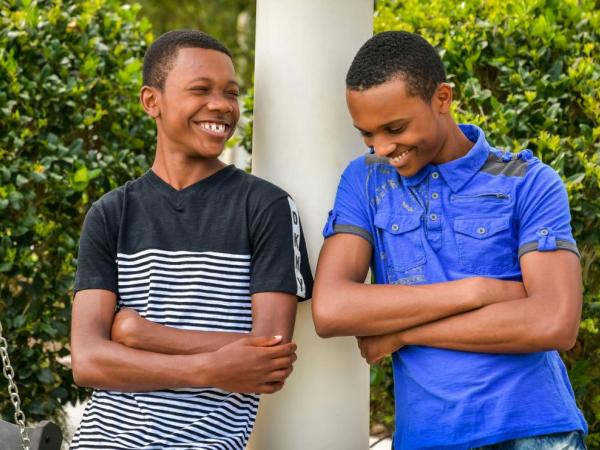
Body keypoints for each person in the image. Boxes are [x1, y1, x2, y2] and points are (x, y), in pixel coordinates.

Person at [312, 31, 587, 450]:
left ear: (442, 98)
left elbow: (554, 323)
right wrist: (478, 291)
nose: (383, 147)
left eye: (395, 128)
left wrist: (404, 333)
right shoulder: (365, 180)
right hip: (426, 437)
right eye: (367, 134)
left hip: (536, 431)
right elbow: (332, 308)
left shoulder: (529, 182)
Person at [70, 29, 312, 450]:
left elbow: (269, 358)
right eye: (201, 89)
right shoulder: (111, 213)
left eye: (231, 93)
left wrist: (141, 334)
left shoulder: (266, 206)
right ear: (152, 101)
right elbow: (89, 360)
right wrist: (207, 369)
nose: (221, 105)